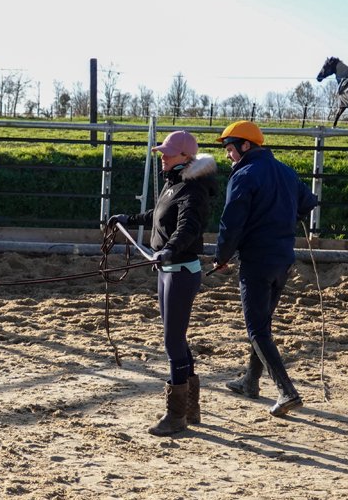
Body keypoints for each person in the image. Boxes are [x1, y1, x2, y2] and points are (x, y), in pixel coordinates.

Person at [108, 130, 218, 436]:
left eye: (168, 153)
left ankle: (176, 415)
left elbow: (188, 228)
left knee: (172, 341)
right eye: (162, 153)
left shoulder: (193, 190)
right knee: (177, 338)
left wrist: (169, 249)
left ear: (185, 157)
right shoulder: (174, 184)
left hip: (180, 269)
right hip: (168, 269)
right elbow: (159, 216)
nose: (163, 157)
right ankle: (190, 408)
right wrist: (128, 219)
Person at [211, 120, 318, 417]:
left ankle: (287, 392)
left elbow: (231, 222)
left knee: (257, 328)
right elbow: (309, 201)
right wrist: (288, 215)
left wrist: (221, 256)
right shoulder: (285, 171)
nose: (228, 154)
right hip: (283, 259)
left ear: (246, 145)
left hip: (256, 261)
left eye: (230, 148)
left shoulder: (243, 175)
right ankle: (250, 381)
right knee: (263, 323)